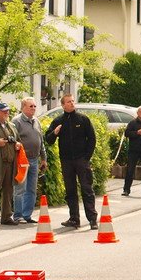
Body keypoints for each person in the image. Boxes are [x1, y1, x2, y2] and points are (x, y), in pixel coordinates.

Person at [44, 93, 98, 229]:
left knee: (87, 189)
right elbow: (48, 140)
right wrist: (55, 133)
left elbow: (92, 138)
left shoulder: (83, 119)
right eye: (68, 102)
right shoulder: (58, 120)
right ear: (63, 105)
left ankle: (92, 219)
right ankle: (74, 219)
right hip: (66, 160)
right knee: (70, 190)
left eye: (73, 101)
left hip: (81, 160)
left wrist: (87, 157)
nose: (72, 103)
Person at [12, 97, 48, 224]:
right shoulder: (16, 121)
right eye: (30, 106)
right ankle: (18, 215)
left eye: (34, 106)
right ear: (23, 107)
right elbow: (12, 139)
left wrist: (44, 158)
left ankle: (27, 215)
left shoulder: (36, 121)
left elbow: (41, 141)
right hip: (22, 160)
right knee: (20, 189)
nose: (33, 108)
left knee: (32, 189)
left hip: (34, 159)